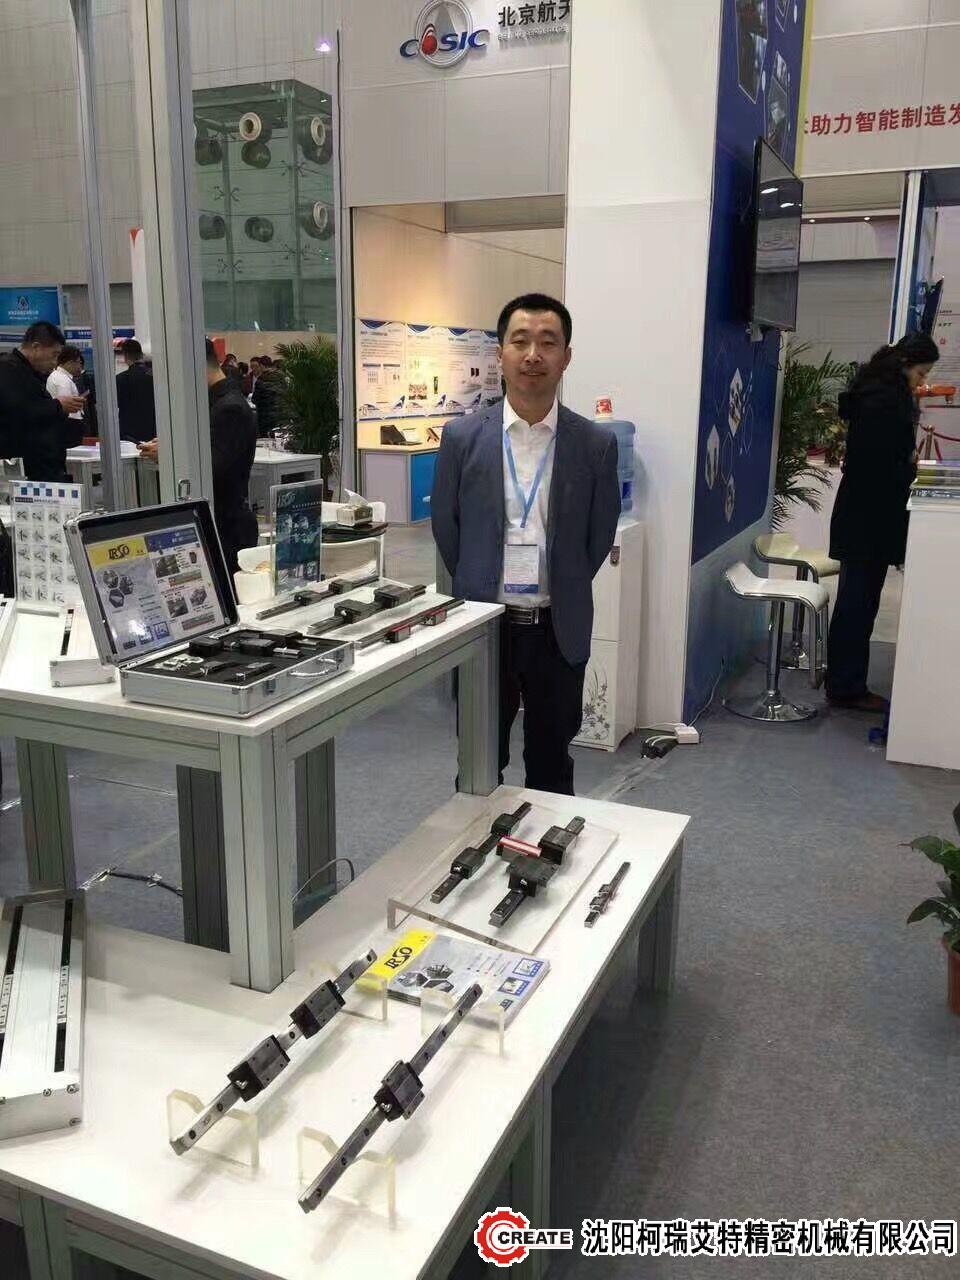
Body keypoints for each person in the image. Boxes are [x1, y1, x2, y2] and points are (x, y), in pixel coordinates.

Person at [432, 293, 620, 795]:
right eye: (520, 341)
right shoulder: (461, 437)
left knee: (552, 765)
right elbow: (447, 527)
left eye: (547, 342)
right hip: (484, 628)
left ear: (566, 356)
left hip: (557, 629)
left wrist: (564, 578)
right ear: (501, 354)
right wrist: (477, 577)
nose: (533, 354)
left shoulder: (595, 444)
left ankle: (549, 845)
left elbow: (598, 536)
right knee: (479, 763)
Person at [826, 331, 939, 712]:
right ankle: (846, 687)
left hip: (862, 514)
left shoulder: (876, 392)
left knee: (858, 602)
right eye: (921, 374)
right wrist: (909, 465)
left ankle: (846, 682)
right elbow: (881, 463)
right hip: (867, 518)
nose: (922, 382)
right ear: (905, 364)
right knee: (857, 604)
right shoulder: (885, 401)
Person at [138, 339, 257, 576]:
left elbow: (215, 467)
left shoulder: (229, 407)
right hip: (215, 521)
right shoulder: (215, 401)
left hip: (226, 527)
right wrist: (173, 445)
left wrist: (170, 454)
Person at [0, 321, 82, 479]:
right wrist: (58, 406)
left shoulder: (29, 373)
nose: (55, 362)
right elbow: (19, 412)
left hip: (42, 468)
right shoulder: (9, 371)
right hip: (26, 472)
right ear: (36, 347)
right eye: (54, 354)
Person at [115, 338, 156, 443]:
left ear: (125, 356)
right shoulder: (155, 377)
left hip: (129, 434)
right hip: (152, 431)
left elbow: (116, 405)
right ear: (141, 354)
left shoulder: (120, 379)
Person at [251, 354, 281, 436]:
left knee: (265, 438)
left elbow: (254, 399)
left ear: (261, 366)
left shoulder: (261, 379)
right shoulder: (280, 377)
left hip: (265, 416)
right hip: (279, 415)